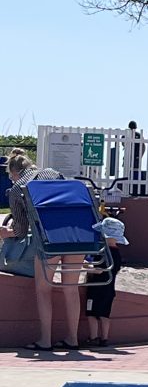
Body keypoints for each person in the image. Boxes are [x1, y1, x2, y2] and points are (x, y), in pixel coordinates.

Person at [0, 148, 85, 352]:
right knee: (71, 289)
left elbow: (20, 231)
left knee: (43, 289)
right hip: (76, 235)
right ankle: (72, 338)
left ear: (13, 173)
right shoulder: (53, 173)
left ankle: (45, 340)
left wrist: (5, 233)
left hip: (49, 240)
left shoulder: (17, 188)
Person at [85, 216, 128, 347]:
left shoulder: (103, 253)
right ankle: (104, 338)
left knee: (91, 313)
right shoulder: (117, 255)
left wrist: (85, 266)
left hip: (96, 288)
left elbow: (98, 270)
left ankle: (93, 337)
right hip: (109, 289)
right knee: (104, 314)